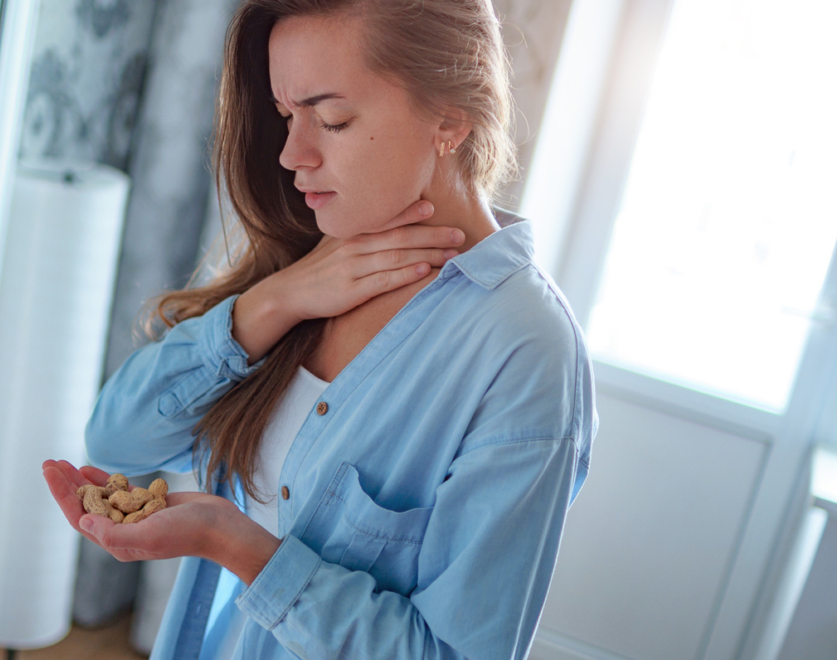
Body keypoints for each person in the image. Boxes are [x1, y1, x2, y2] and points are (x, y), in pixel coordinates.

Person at [43, 0, 597, 657]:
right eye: (286, 117)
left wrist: (235, 544)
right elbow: (118, 440)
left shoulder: (525, 352)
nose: (291, 154)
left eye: (332, 119)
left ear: (450, 118)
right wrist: (275, 301)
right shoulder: (309, 258)